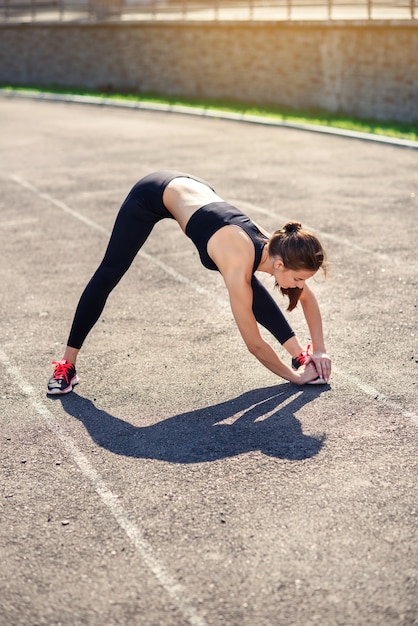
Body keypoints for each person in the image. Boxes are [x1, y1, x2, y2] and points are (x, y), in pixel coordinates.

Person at [47, 170, 331, 395]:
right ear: (280, 264)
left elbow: (307, 297)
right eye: (298, 279)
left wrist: (318, 351)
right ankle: (67, 365)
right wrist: (295, 378)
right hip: (152, 194)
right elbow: (254, 344)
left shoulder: (279, 248)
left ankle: (298, 354)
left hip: (195, 190)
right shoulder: (238, 260)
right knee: (109, 272)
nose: (298, 286)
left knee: (246, 283)